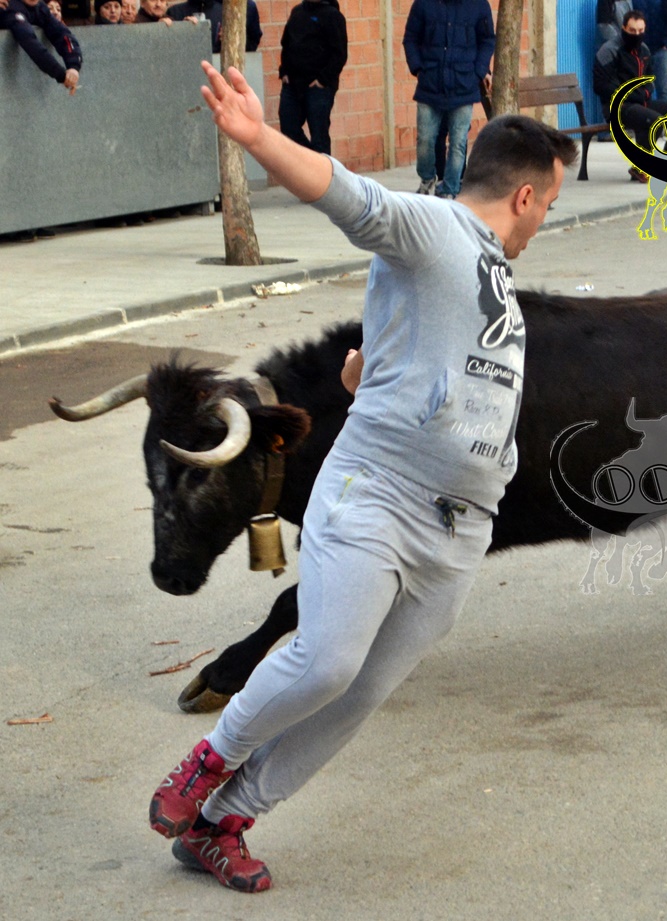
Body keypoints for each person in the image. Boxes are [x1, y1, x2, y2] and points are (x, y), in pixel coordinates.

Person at [148, 58, 578, 895]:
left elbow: (426, 345)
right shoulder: (437, 226)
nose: (543, 223)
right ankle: (208, 761)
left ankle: (222, 821)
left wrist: (368, 373)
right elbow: (352, 196)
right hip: (382, 495)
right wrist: (258, 137)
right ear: (526, 195)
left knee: (358, 693)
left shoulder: (487, 270)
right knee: (327, 662)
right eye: (550, 206)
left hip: (459, 532)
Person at [402, 0, 495, 199]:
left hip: (464, 86)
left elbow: (487, 40)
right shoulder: (423, 4)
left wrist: (478, 72)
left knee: (458, 143)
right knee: (425, 139)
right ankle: (427, 180)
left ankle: (451, 188)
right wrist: (418, 68)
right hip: (430, 85)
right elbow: (410, 38)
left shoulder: (479, 5)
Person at [593, 8, 667, 180]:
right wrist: (632, 94)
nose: (636, 35)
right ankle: (641, 168)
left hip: (640, 101)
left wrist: (646, 92)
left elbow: (650, 79)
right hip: (616, 106)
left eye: (640, 31)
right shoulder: (609, 50)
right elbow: (601, 85)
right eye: (632, 31)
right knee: (654, 120)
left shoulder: (644, 50)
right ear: (623, 28)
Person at [278, 0, 347, 155]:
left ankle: (321, 168)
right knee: (289, 129)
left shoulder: (333, 16)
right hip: (292, 85)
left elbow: (340, 54)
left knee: (319, 138)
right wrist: (284, 72)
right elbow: (286, 44)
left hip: (318, 88)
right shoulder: (297, 12)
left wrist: (323, 80)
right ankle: (311, 163)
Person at [0, 0, 81, 95]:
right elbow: (31, 43)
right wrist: (61, 75)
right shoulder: (9, 7)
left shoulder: (41, 8)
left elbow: (62, 34)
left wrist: (73, 65)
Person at [165, 0, 261, 53]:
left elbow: (252, 44)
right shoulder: (175, 12)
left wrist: (233, 40)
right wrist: (181, 29)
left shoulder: (225, 11)